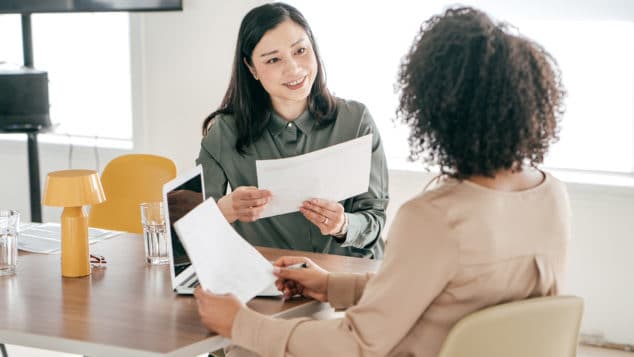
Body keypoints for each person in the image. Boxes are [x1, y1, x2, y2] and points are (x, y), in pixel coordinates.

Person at [194, 6, 569, 357]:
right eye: (274, 58)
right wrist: (331, 285)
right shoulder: (552, 194)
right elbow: (443, 294)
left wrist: (241, 324)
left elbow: (358, 343)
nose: (292, 67)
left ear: (432, 111)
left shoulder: (433, 216)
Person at [194, 2, 388, 258]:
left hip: (346, 279)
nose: (294, 68)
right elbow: (192, 230)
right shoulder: (224, 133)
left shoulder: (356, 120)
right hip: (270, 281)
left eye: (301, 50)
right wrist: (226, 209)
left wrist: (343, 225)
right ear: (251, 68)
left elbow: (374, 218)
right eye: (274, 59)